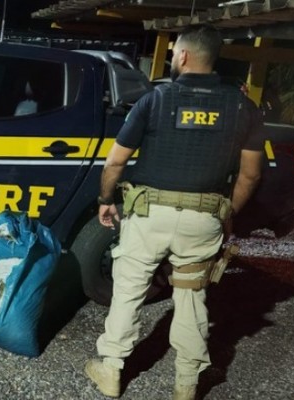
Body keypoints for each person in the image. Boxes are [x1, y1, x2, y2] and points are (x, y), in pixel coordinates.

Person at [84, 25, 265, 400]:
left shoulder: (155, 100)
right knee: (190, 296)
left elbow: (115, 162)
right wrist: (227, 212)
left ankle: (112, 370)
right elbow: (250, 173)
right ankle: (186, 383)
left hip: (149, 215)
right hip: (204, 218)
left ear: (182, 56)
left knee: (129, 289)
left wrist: (106, 200)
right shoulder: (242, 107)